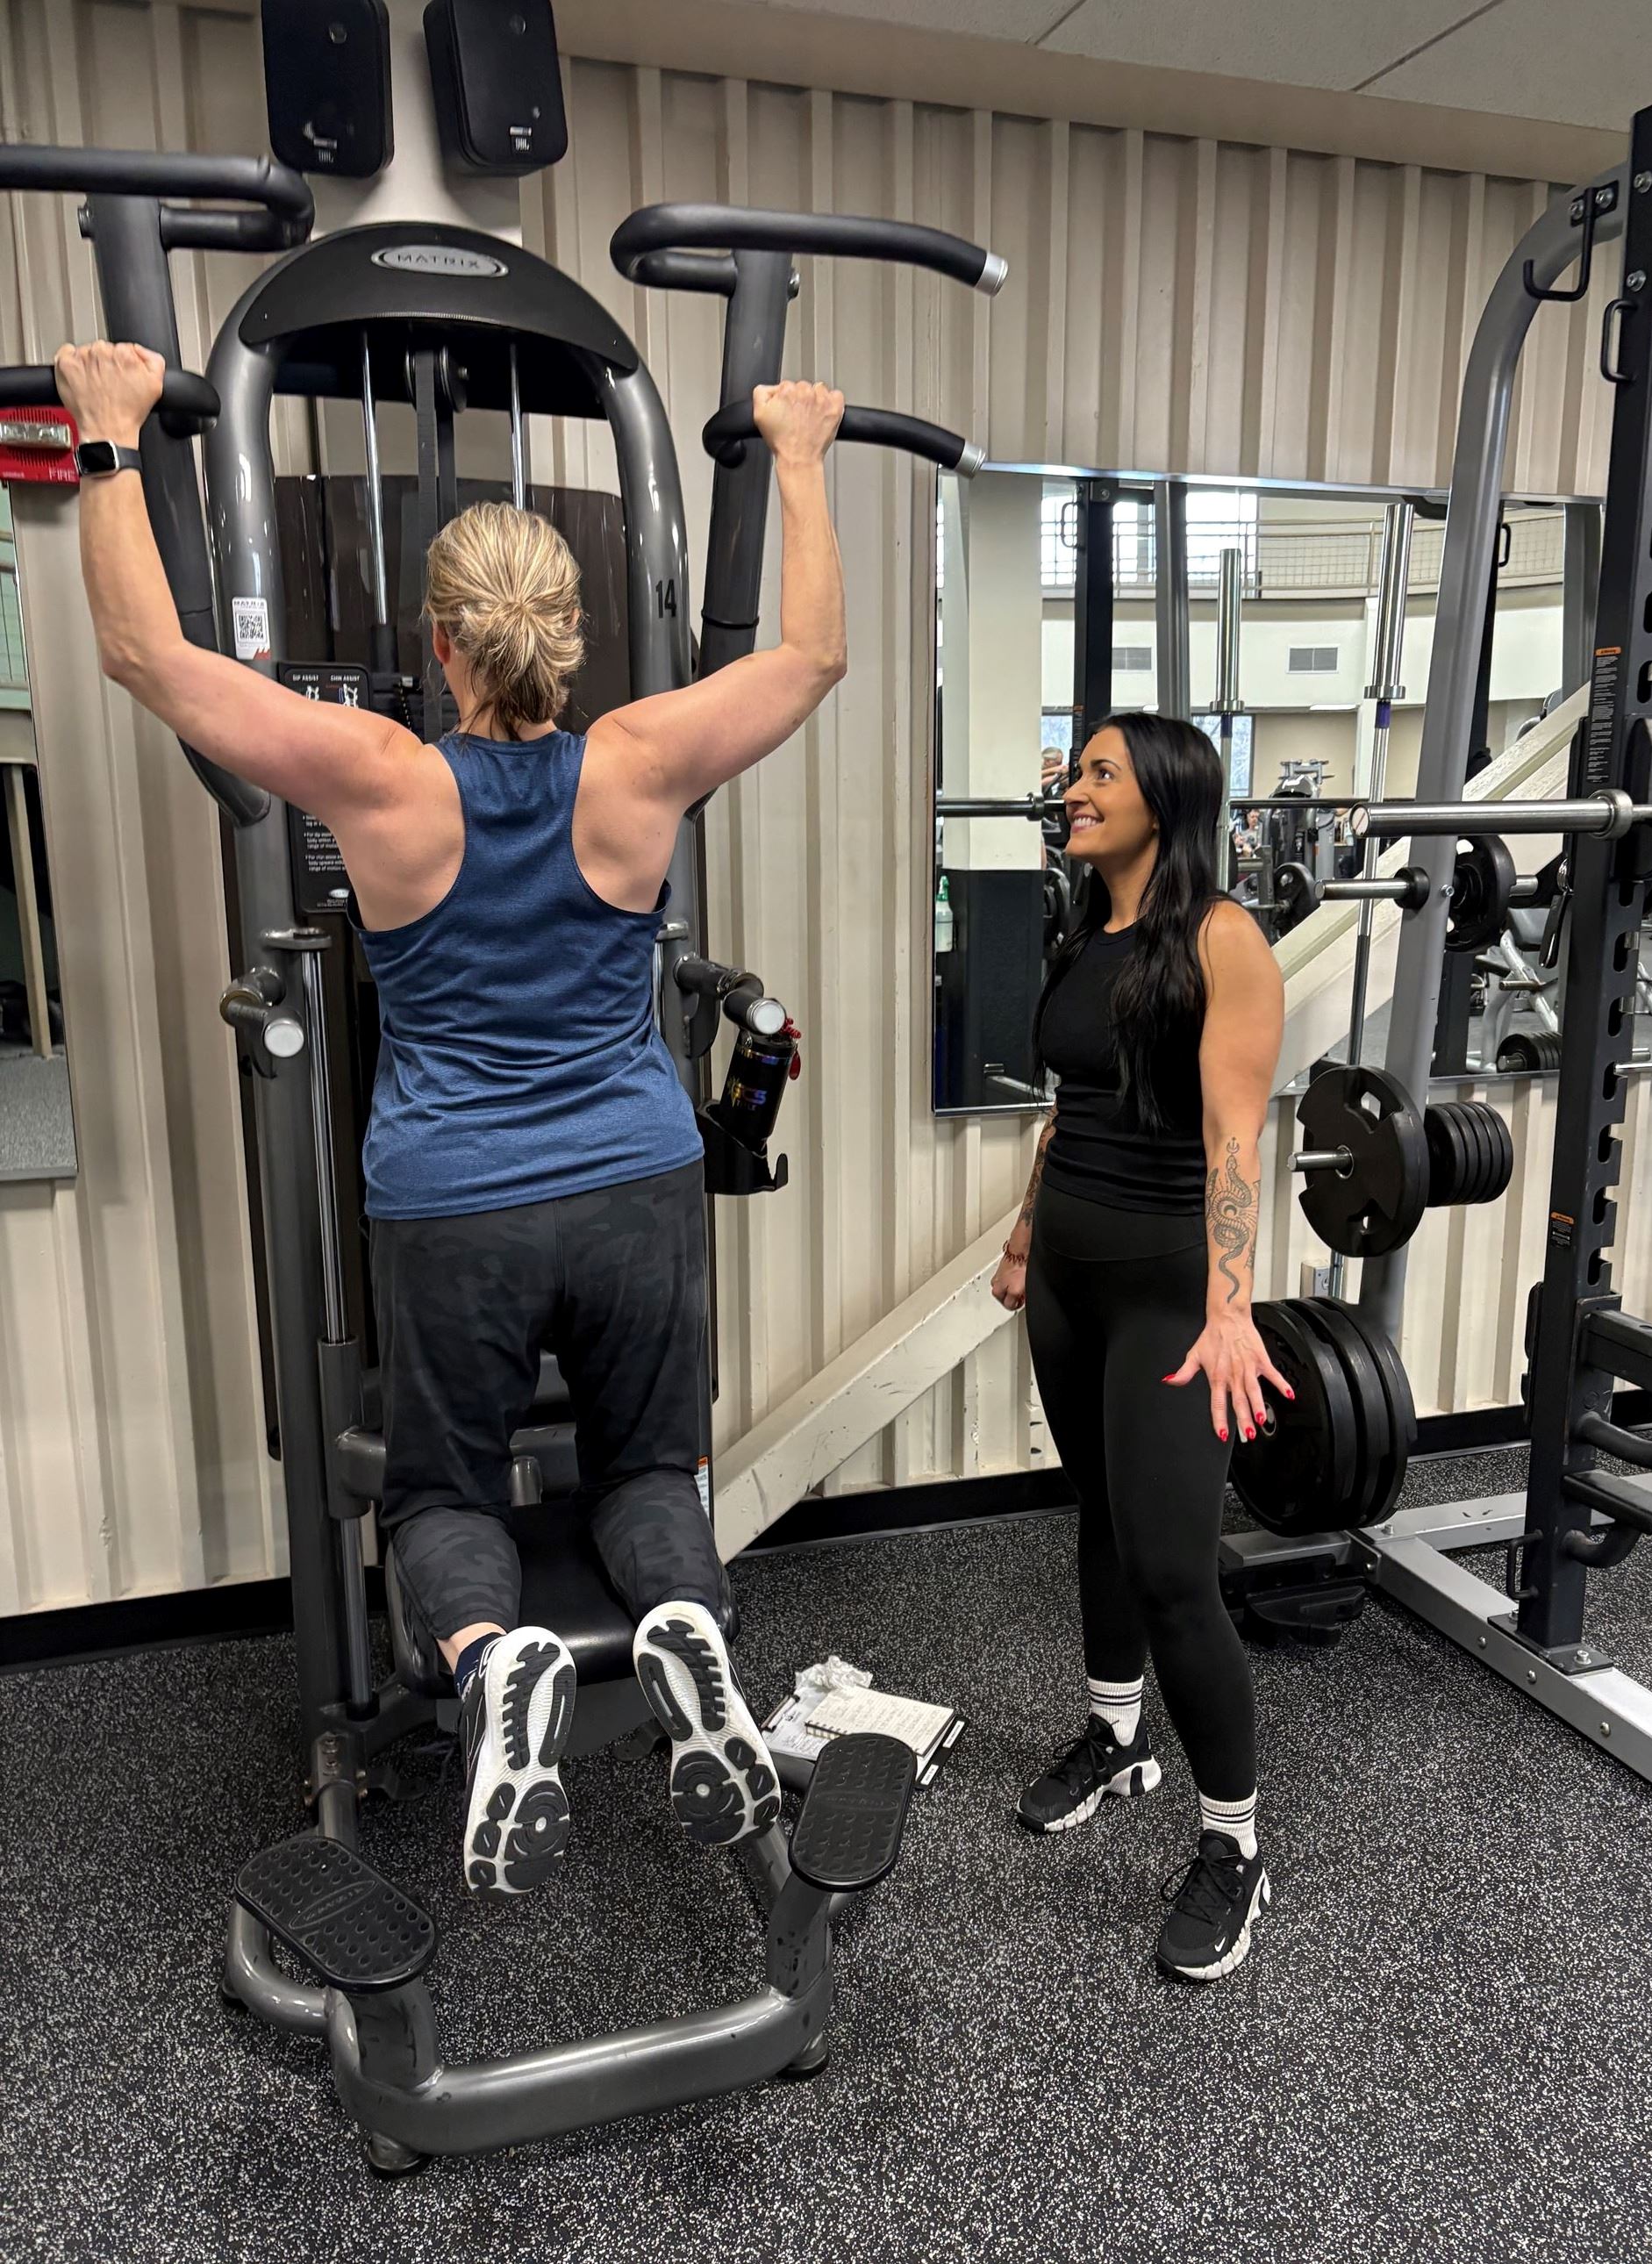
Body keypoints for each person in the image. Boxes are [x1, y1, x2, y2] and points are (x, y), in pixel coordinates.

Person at [54, 339, 846, 1895]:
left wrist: (105, 440)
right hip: (637, 1181)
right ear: (572, 630)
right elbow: (811, 657)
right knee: (643, 1474)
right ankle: (684, 1629)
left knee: (441, 1490)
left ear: (440, 636)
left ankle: (496, 1670)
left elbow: (151, 659)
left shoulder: (379, 779)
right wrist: (802, 458)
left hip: (455, 1203)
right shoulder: (641, 759)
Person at [990, 713, 1287, 1984]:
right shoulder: (1085, 934)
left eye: (1101, 772)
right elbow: (1071, 1112)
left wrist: (1233, 1308)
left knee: (1174, 1571)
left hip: (1169, 1294)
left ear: (1163, 797)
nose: (1074, 787)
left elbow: (1234, 1142)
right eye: (1076, 769)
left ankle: (1234, 1844)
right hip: (1066, 1274)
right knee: (1099, 1522)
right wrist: (1016, 1239)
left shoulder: (1222, 940)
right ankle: (1116, 1739)